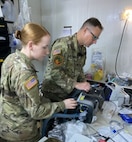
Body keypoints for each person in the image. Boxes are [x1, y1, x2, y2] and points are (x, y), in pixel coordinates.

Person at [0, 23, 77, 142]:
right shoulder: (25, 73)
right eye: (44, 47)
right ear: (31, 45)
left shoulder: (11, 58)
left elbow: (14, 97)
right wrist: (63, 105)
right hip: (21, 133)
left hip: (6, 126)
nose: (47, 52)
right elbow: (35, 112)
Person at [41, 17, 103, 102]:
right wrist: (76, 84)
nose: (95, 42)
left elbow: (79, 69)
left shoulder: (82, 49)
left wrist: (84, 84)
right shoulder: (62, 46)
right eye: (94, 37)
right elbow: (55, 73)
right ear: (85, 30)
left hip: (67, 92)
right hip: (53, 93)